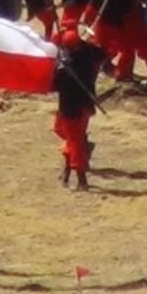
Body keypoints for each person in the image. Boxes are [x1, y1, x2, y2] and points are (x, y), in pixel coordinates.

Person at [54, 29, 103, 190]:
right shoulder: (88, 52)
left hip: (71, 107)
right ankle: (67, 172)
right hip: (85, 105)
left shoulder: (68, 68)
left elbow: (55, 84)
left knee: (75, 142)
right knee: (70, 137)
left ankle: (81, 180)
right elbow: (100, 52)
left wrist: (59, 65)